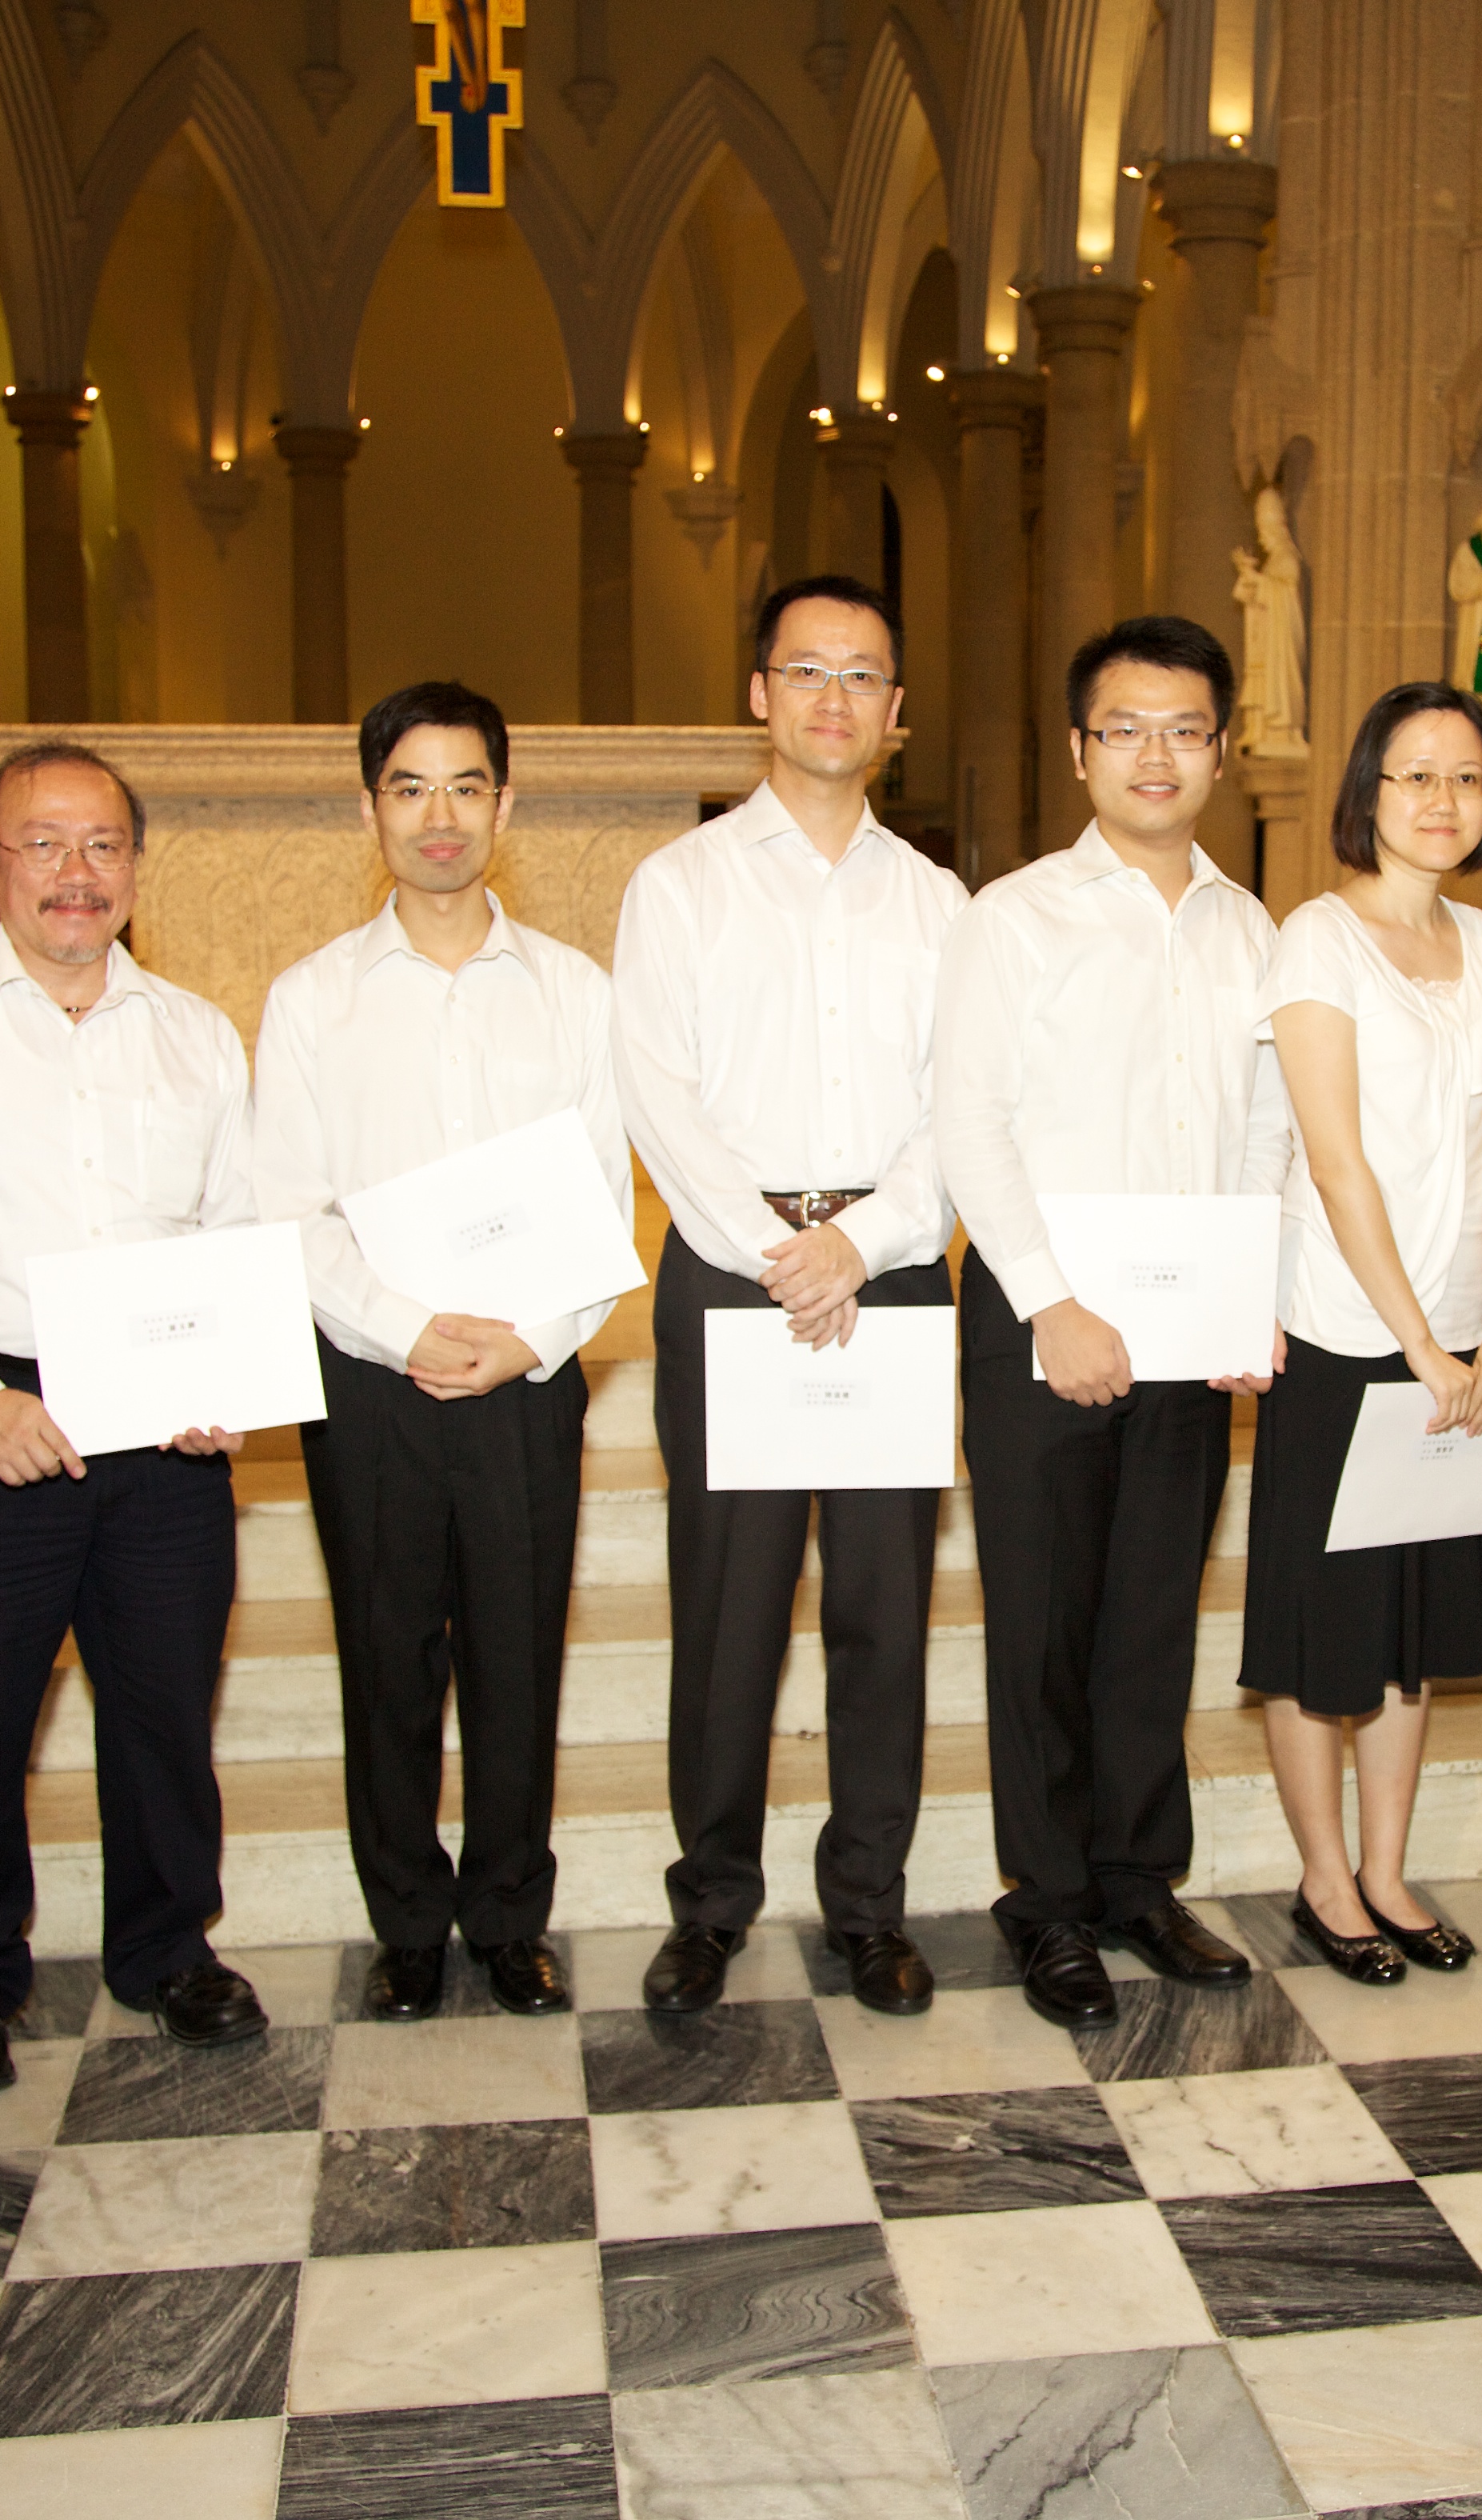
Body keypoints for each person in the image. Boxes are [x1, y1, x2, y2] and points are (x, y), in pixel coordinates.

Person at [0, 743, 269, 2094]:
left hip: (158, 1424)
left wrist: (222, 1377)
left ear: (135, 867)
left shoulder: (196, 1033)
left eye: (102, 846)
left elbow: (235, 1225)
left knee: (162, 1705)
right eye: (43, 843)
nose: (76, 873)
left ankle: (167, 1946)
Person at [615, 575, 969, 2016]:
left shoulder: (940, 901)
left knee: (884, 1610)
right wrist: (780, 1249)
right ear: (759, 692)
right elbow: (657, 1091)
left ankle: (868, 1905)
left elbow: (964, 1108)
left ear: (896, 711)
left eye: (863, 674)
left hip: (890, 1278)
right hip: (732, 1275)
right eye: (807, 669)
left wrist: (862, 1242)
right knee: (729, 1610)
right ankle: (710, 1904)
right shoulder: (679, 884)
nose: (835, 696)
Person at [253, 682, 625, 2022]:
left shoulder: (575, 992)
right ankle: (407, 1918)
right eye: (410, 788)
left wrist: (529, 1338)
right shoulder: (312, 1000)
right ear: (372, 811)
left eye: (466, 785)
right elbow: (289, 1209)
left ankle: (510, 1914)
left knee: (518, 1658)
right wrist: (405, 1328)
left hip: (526, 1378)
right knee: (388, 1655)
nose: (440, 816)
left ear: (504, 804)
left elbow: (603, 1198)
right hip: (373, 1381)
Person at [934, 616, 1286, 2030]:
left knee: (1150, 1615)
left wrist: (1248, 1288)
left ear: (1220, 750)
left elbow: (1267, 1125)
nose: (1157, 754)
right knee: (1042, 1625)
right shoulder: (1014, 916)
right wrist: (1050, 1305)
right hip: (1047, 1320)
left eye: (1184, 729)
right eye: (1126, 728)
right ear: (1081, 750)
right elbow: (970, 1122)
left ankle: (1140, 1879)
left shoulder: (1250, 927)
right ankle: (1048, 1900)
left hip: (1190, 1321)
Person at [1242, 682, 1482, 1985]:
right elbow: (1336, 1156)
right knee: (1324, 1630)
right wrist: (1417, 1339)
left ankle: (1389, 1867)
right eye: (1415, 774)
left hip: (1467, 1334)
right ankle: (1323, 1875)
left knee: (1413, 1625)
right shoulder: (1318, 939)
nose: (1441, 799)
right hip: (1349, 1330)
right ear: (1369, 790)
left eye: (1466, 776)